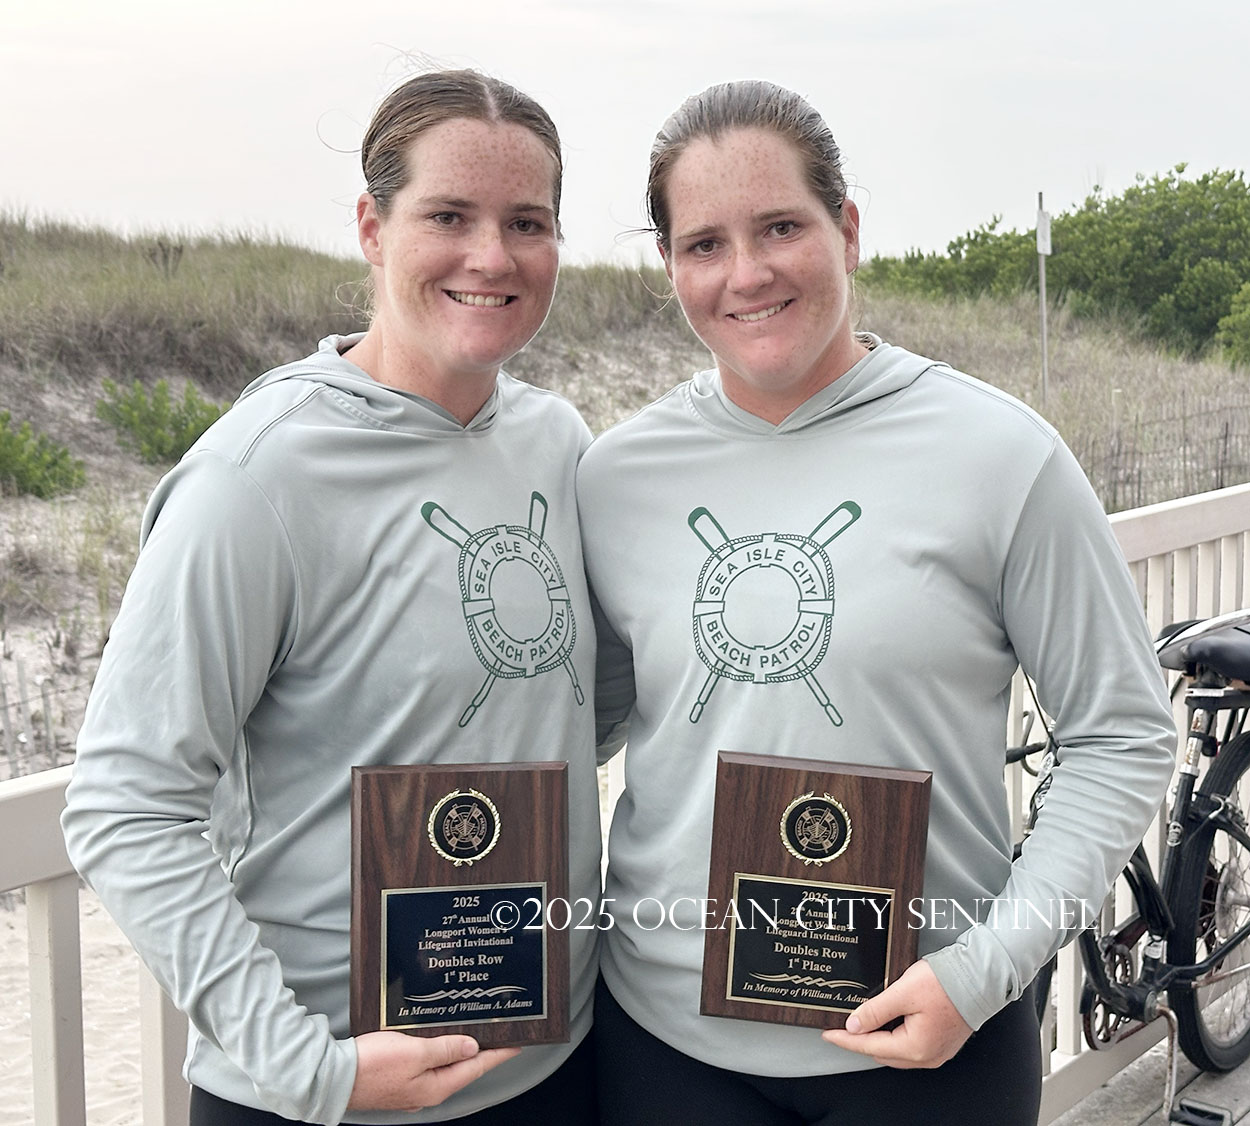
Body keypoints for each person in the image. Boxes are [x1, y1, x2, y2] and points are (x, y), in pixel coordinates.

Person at [578, 80, 1177, 1126]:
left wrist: (984, 969)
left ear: (846, 230)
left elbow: (1119, 736)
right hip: (662, 1049)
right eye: (704, 243)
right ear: (670, 265)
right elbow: (572, 722)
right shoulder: (615, 476)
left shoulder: (1001, 455)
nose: (747, 273)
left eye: (780, 227)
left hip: (933, 1045)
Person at [61, 70, 600, 1126]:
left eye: (526, 222)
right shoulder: (257, 476)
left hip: (548, 1068)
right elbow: (125, 802)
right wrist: (310, 1068)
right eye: (448, 215)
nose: (492, 256)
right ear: (370, 226)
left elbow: (585, 703)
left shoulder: (557, 442)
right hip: (331, 1092)